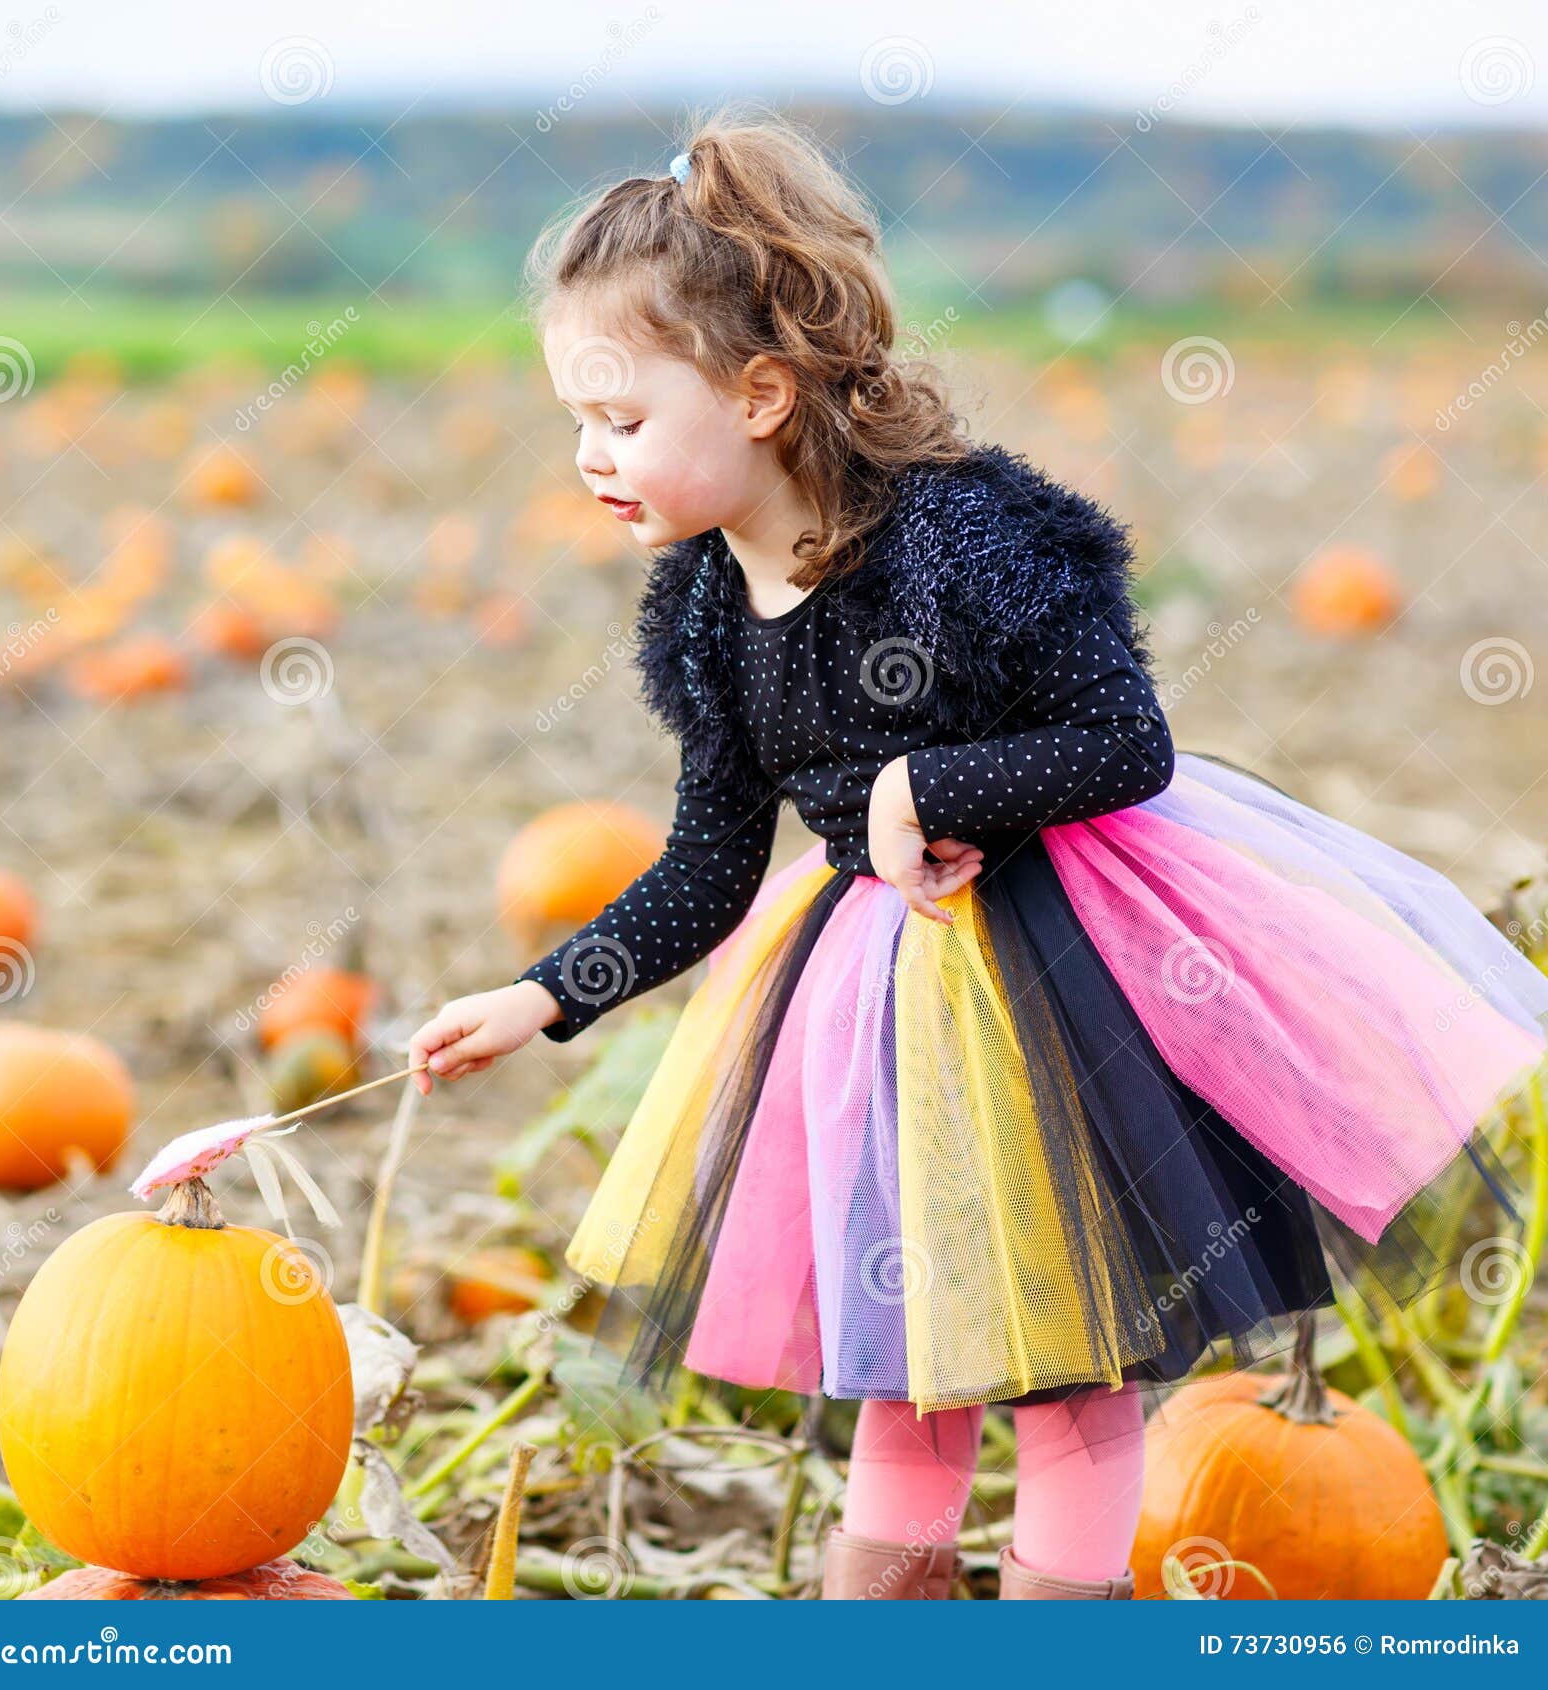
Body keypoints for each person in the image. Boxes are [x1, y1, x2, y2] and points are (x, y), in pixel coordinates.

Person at [409, 105, 1548, 1600]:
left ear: (759, 392)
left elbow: (1122, 742)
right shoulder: (703, 606)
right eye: (576, 421)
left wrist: (929, 780)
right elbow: (705, 861)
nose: (589, 457)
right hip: (880, 996)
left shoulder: (963, 537)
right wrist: (547, 994)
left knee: (1069, 1354)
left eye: (621, 420)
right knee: (912, 1352)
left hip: (1071, 968)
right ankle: (889, 1611)